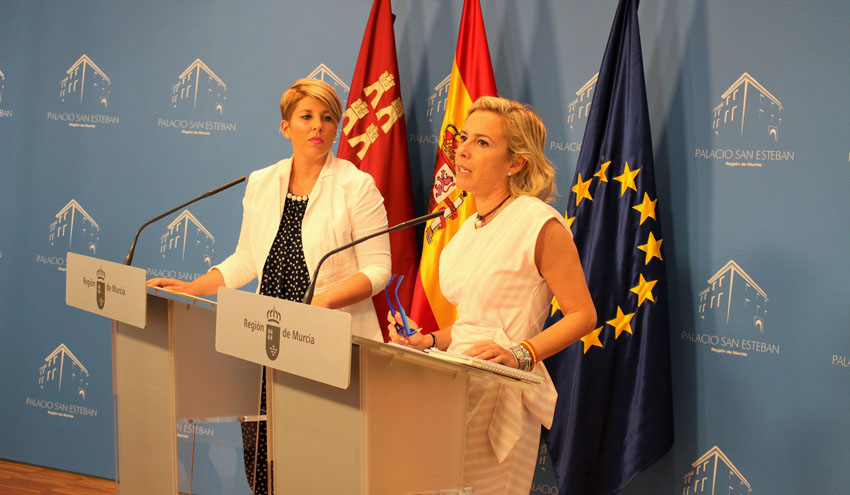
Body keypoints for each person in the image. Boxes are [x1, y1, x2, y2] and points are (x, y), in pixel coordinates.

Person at [148, 78, 391, 494]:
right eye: (306, 116)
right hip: (269, 343)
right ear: (285, 127)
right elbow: (246, 259)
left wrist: (321, 303)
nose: (317, 126)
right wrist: (193, 288)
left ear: (336, 128)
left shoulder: (356, 186)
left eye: (327, 118)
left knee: (321, 462)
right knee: (262, 463)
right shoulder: (262, 181)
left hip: (327, 344)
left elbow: (378, 269)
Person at [388, 96, 596, 495]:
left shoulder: (538, 222)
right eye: (464, 138)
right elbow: (474, 325)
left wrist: (520, 354)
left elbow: (583, 315)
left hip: (500, 391)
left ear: (516, 163)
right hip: (453, 384)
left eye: (482, 142)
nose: (462, 149)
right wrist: (427, 340)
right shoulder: (468, 229)